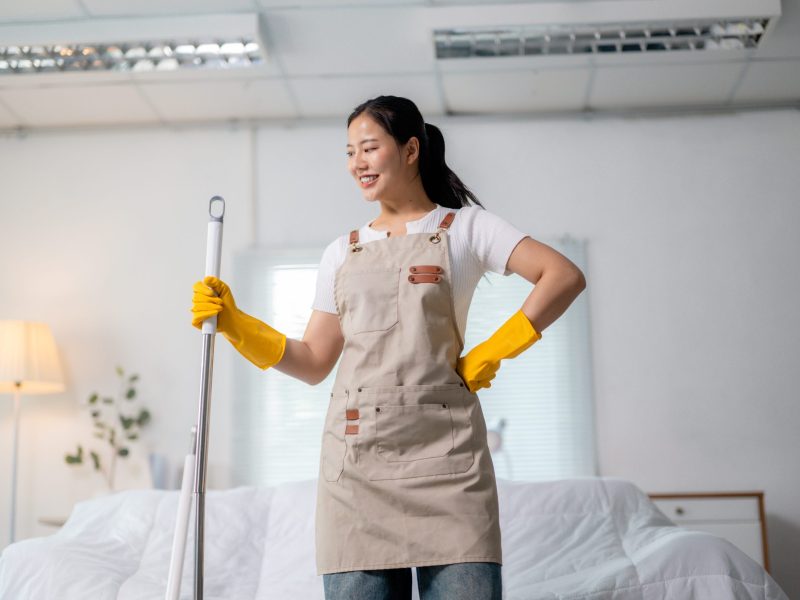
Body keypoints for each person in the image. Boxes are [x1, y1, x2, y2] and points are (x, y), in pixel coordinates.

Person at [191, 95, 586, 600]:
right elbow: (314, 362)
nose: (357, 162)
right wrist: (236, 323)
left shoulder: (466, 228)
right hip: (357, 469)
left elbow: (563, 276)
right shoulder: (342, 251)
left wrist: (493, 350)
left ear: (410, 150)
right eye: (349, 151)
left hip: (450, 466)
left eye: (369, 147)